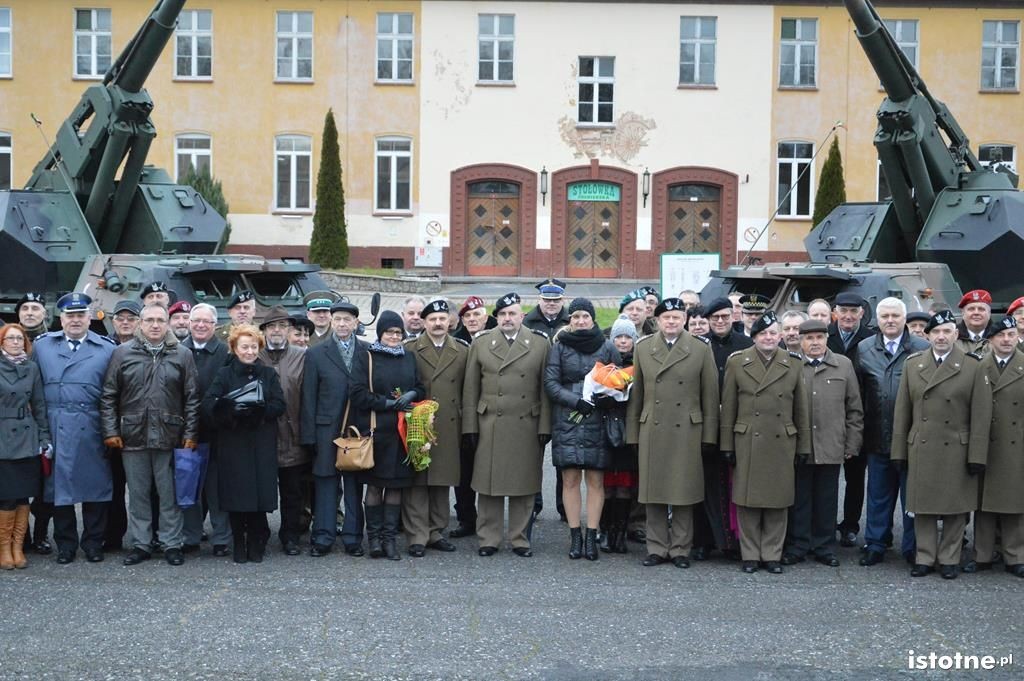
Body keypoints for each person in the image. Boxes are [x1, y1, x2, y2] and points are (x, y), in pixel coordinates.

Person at [892, 309, 992, 579]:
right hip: (922, 445)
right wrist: (899, 451)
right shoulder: (913, 364)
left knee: (955, 508)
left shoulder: (973, 366)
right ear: (927, 336)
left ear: (956, 334)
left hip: (957, 447)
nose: (941, 336)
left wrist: (977, 455)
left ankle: (949, 558)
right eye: (935, 332)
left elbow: (981, 414)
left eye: (947, 331)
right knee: (922, 506)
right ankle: (924, 557)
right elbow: (902, 412)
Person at [101, 303, 199, 567]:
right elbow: (109, 395)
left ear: (167, 323)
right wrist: (111, 431)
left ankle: (171, 543)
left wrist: (190, 433)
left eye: (160, 320)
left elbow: (192, 398)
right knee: (138, 495)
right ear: (140, 323)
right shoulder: (122, 353)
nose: (155, 325)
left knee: (169, 495)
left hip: (170, 435)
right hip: (132, 435)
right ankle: (141, 544)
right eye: (149, 320)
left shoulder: (182, 354)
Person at [627, 298, 719, 568]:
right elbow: (637, 394)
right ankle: (656, 547)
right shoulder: (643, 347)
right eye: (666, 317)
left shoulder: (700, 348)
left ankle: (680, 548)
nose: (671, 322)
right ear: (657, 320)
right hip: (653, 427)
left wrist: (709, 435)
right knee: (653, 491)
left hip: (686, 429)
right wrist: (632, 433)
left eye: (676, 317)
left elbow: (710, 395)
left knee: (683, 491)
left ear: (685, 320)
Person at [720, 311, 811, 574]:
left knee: (777, 501)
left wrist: (803, 445)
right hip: (748, 439)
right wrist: (726, 445)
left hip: (781, 440)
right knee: (747, 501)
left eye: (773, 333)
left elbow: (801, 409)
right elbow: (729, 407)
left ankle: (772, 554)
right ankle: (749, 554)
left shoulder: (793, 362)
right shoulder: (738, 362)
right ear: (754, 336)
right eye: (763, 334)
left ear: (780, 336)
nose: (768, 338)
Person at [462, 292, 551, 557]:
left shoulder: (539, 343)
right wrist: (470, 427)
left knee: (524, 484)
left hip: (526, 422)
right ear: (496, 317)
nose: (507, 318)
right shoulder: (481, 343)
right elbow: (471, 389)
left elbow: (545, 389)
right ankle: (488, 538)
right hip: (490, 422)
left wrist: (545, 425)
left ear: (522, 316)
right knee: (488, 483)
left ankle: (520, 538)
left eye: (512, 313)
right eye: (502, 314)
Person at [32, 293, 117, 565]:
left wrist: (110, 430)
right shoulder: (43, 346)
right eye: (70, 315)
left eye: (81, 315)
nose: (76, 320)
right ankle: (66, 544)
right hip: (56, 423)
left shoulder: (107, 348)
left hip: (92, 425)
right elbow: (33, 389)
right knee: (60, 490)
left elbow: (114, 392)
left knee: (96, 486)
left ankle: (93, 543)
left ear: (90, 318)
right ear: (61, 319)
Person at [783, 319, 863, 568]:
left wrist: (852, 443)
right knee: (800, 499)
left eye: (819, 337)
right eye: (809, 338)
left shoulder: (843, 364)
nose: (815, 342)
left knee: (827, 499)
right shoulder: (791, 364)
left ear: (827, 339)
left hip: (831, 443)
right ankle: (798, 545)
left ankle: (824, 547)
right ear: (801, 341)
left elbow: (854, 408)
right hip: (800, 446)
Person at [203, 325, 286, 563]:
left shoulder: (268, 373)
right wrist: (229, 409)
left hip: (261, 441)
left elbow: (279, 404)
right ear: (235, 348)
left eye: (253, 347)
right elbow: (209, 404)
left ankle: (256, 543)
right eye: (244, 347)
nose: (249, 352)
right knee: (236, 495)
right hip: (234, 441)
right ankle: (239, 542)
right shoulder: (225, 373)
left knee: (259, 496)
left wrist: (260, 411)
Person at [545, 297, 620, 561]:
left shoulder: (607, 346)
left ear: (592, 318)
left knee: (596, 481)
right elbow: (551, 383)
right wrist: (575, 401)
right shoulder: (560, 347)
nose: (580, 321)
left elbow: (618, 380)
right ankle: (575, 535)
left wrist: (607, 398)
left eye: (584, 316)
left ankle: (591, 536)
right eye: (575, 317)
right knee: (570, 479)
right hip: (569, 419)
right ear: (570, 320)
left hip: (597, 419)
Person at [856, 298, 929, 567]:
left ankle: (912, 546)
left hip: (912, 437)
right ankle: (876, 543)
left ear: (904, 318)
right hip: (878, 435)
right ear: (877, 320)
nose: (890, 320)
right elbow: (859, 393)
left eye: (895, 316)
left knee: (913, 497)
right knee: (878, 496)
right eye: (885, 316)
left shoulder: (922, 348)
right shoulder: (865, 348)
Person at [349, 310, 424, 561]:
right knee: (374, 486)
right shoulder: (366, 356)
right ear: (380, 333)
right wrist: (388, 404)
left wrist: (412, 394)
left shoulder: (409, 357)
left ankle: (390, 540)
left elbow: (420, 386)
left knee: (395, 486)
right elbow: (357, 393)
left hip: (402, 433)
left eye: (398, 332)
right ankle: (374, 540)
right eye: (389, 332)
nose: (394, 336)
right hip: (376, 431)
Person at [401, 300, 469, 557]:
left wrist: (467, 426)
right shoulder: (410, 348)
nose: (438, 323)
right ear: (424, 322)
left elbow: (468, 390)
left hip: (449, 423)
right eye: (432, 319)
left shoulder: (462, 350)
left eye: (442, 318)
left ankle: (436, 531)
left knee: (442, 480)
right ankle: (417, 535)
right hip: (419, 423)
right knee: (417, 482)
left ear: (450, 321)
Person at [300, 299, 367, 557]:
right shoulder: (316, 353)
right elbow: (309, 397)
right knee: (326, 484)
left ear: (355, 323)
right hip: (325, 430)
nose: (342, 324)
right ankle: (323, 537)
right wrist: (309, 435)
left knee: (353, 486)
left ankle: (353, 538)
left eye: (347, 320)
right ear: (331, 321)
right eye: (337, 319)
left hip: (356, 429)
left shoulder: (367, 351)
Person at [695, 297, 753, 560]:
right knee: (703, 484)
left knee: (734, 485)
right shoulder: (699, 345)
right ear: (708, 320)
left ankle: (733, 542)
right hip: (705, 424)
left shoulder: (746, 345)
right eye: (715, 318)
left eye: (725, 317)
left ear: (733, 317)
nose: (720, 321)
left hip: (737, 424)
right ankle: (703, 541)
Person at [966, 316, 1024, 577]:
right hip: (985, 443)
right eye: (1001, 335)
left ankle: (1015, 556)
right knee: (983, 504)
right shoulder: (978, 367)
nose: (1007, 340)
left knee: (1015, 504)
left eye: (1011, 334)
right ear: (990, 340)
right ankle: (982, 555)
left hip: (1016, 444)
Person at [180, 303, 232, 557]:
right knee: (189, 486)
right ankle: (190, 536)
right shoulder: (178, 351)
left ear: (215, 325)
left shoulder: (225, 353)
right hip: (186, 432)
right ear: (189, 323)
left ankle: (221, 538)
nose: (200, 325)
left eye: (206, 321)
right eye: (196, 321)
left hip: (217, 432)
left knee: (217, 488)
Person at [257, 306, 309, 556]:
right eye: (271, 326)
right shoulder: (254, 355)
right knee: (260, 490)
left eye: (282, 326)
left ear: (289, 330)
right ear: (264, 330)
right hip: (262, 436)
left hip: (293, 435)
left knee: (292, 492)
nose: (277, 331)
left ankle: (290, 536)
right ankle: (259, 534)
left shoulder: (303, 356)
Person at [0, 325, 50, 570]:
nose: (15, 342)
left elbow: (39, 405)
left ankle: (18, 547)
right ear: (2, 342)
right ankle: (4, 548)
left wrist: (44, 437)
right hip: (2, 437)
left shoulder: (31, 368)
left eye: (20, 338)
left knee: (23, 495)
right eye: (10, 338)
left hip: (27, 436)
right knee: (6, 495)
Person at [827, 292, 875, 549]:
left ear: (861, 314)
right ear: (835, 312)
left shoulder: (870, 339)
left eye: (853, 311)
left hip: (860, 417)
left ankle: (850, 526)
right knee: (826, 478)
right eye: (843, 311)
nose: (848, 316)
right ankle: (825, 525)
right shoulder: (824, 336)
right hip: (828, 419)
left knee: (855, 479)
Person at [523, 279, 569, 528]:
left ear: (563, 300)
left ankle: (565, 506)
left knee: (564, 456)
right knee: (532, 456)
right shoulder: (527, 324)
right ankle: (533, 503)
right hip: (535, 397)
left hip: (563, 397)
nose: (551, 305)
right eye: (547, 300)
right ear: (539, 300)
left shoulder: (571, 322)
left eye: (556, 300)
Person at [450, 295, 495, 537]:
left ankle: (490, 520)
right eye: (467, 316)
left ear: (485, 318)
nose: (472, 319)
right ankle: (466, 518)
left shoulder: (496, 339)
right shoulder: (456, 343)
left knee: (489, 468)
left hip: (491, 413)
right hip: (462, 413)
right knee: (463, 470)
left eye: (476, 314)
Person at [16, 292, 53, 555]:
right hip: (14, 423)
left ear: (45, 313)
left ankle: (41, 534)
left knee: (44, 484)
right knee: (15, 484)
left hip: (45, 419)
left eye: (35, 308)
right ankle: (21, 536)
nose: (30, 312)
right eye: (25, 308)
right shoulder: (8, 339)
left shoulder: (53, 342)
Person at [599, 316, 638, 554]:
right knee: (605, 485)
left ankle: (620, 533)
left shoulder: (639, 363)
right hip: (605, 429)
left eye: (627, 337)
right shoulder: (603, 363)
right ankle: (604, 531)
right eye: (619, 337)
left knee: (624, 486)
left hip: (628, 429)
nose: (623, 341)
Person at [956, 289, 992, 355]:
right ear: (963, 314)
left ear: (989, 314)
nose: (976, 313)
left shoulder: (999, 336)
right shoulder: (952, 336)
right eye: (971, 309)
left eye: (981, 309)